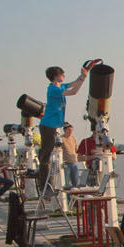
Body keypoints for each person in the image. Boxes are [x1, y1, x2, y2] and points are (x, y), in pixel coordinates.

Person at [38, 63, 91, 191]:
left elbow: (72, 84)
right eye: (62, 74)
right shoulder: (53, 89)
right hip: (48, 125)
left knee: (49, 154)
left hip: (53, 125)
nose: (64, 76)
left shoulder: (59, 86)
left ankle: (49, 183)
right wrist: (83, 79)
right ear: (56, 76)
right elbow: (73, 91)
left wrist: (82, 76)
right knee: (46, 156)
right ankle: (45, 185)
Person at [60, 123, 81, 189]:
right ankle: (68, 198)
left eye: (72, 130)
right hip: (66, 163)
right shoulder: (61, 139)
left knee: (76, 182)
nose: (70, 132)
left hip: (74, 162)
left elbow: (77, 149)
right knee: (66, 183)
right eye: (69, 130)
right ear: (65, 130)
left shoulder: (73, 138)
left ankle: (76, 196)